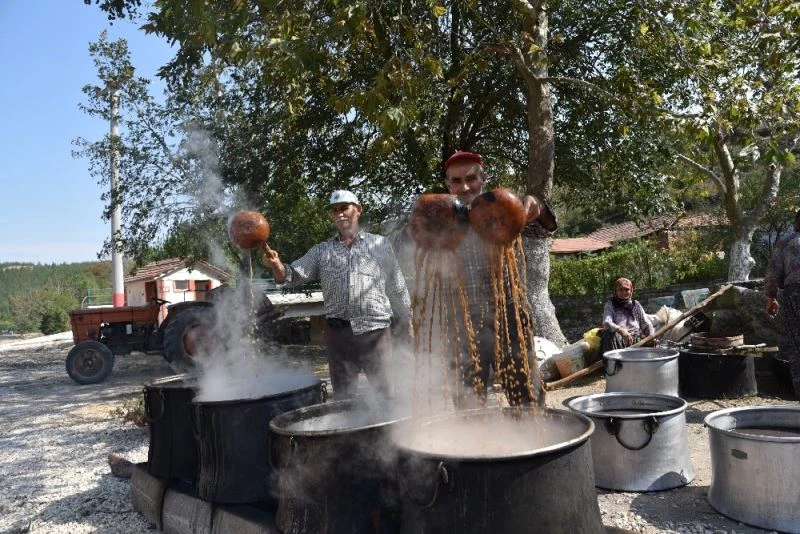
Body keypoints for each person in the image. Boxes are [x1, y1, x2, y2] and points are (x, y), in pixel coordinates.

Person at [261, 190, 411, 399]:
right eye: (335, 210)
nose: (340, 214)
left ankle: (387, 431)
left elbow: (397, 285)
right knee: (343, 399)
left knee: (384, 394)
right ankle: (348, 432)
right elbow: (291, 275)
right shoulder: (322, 251)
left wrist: (408, 322)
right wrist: (276, 265)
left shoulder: (380, 245)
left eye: (345, 208)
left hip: (375, 333)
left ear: (358, 210)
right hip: (339, 335)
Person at [440, 150, 558, 407]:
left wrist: (536, 206)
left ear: (484, 178)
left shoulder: (504, 209)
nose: (465, 186)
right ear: (448, 185)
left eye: (471, 178)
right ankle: (474, 443)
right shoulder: (442, 219)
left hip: (509, 313)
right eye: (456, 181)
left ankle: (533, 437)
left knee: (525, 391)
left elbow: (547, 226)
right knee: (468, 397)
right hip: (463, 320)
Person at [765, 209, 800, 395]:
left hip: (795, 292)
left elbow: (773, 274)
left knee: (796, 344)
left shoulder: (787, 241)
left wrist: (772, 297)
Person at [600, 277, 655, 355]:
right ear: (616, 291)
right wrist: (621, 330)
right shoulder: (610, 305)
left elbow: (646, 323)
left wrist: (652, 336)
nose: (623, 292)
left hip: (635, 340)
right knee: (608, 334)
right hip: (617, 340)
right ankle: (615, 363)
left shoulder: (636, 305)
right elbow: (607, 322)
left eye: (626, 289)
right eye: (620, 290)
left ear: (631, 290)